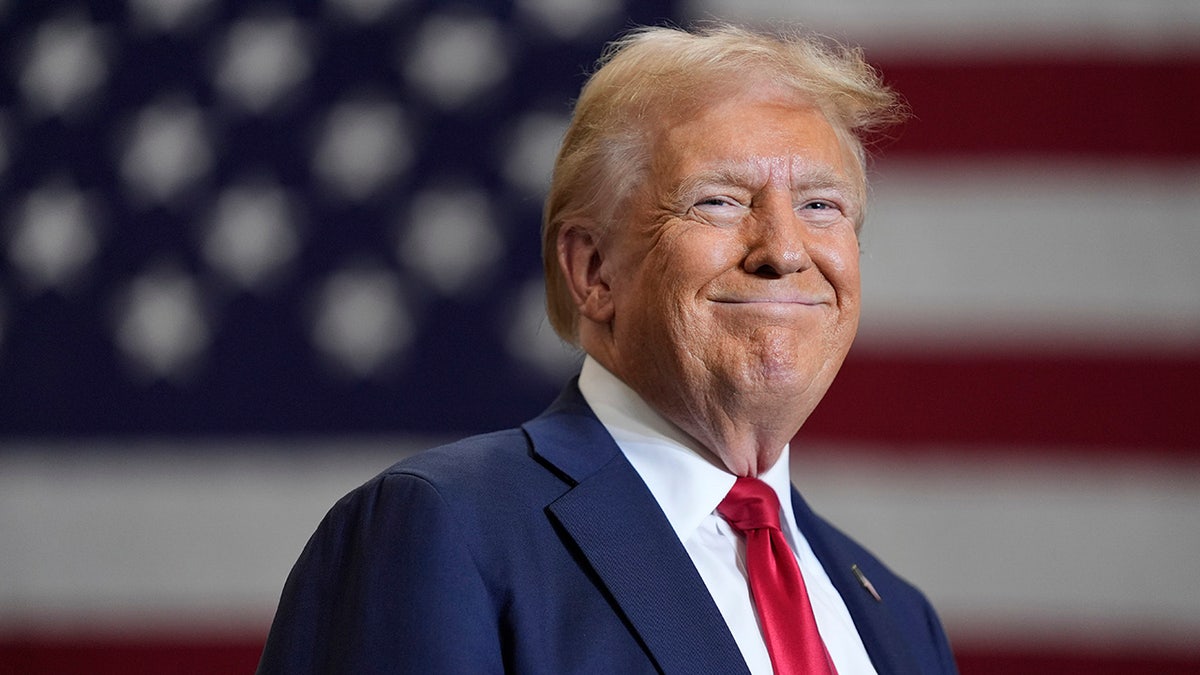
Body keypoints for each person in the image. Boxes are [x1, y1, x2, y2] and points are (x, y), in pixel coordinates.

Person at [258, 23, 957, 675]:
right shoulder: (438, 531)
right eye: (718, 200)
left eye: (821, 206)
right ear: (593, 272)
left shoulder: (898, 620)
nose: (782, 249)